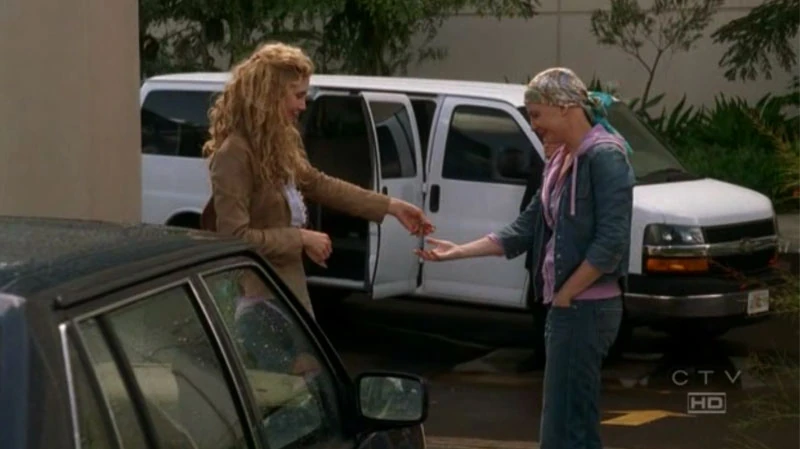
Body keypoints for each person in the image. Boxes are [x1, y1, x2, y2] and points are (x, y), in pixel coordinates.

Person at [416, 67, 635, 449]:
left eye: (536, 115)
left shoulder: (605, 157)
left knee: (567, 426)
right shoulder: (560, 159)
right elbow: (526, 227)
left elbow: (611, 242)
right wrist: (458, 252)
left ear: (564, 107)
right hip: (567, 307)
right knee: (565, 421)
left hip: (587, 307)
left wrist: (567, 294)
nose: (533, 125)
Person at [200, 42, 434, 318]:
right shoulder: (234, 154)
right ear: (269, 95)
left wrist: (392, 206)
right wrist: (300, 238)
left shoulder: (282, 139)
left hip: (287, 289)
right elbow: (235, 237)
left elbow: (318, 184)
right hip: (256, 297)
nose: (303, 105)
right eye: (298, 96)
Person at [518, 138, 562, 372]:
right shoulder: (543, 172)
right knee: (538, 305)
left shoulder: (573, 173)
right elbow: (526, 215)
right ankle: (543, 355)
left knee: (548, 307)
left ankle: (548, 357)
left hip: (556, 256)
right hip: (539, 254)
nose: (546, 146)